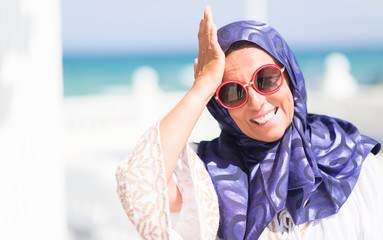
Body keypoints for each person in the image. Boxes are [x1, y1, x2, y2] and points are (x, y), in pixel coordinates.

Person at [116, 6, 383, 240]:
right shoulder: (208, 175)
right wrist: (202, 88)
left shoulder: (346, 159)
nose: (255, 102)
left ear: (290, 76)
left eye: (266, 79)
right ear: (220, 107)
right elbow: (141, 185)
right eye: (233, 92)